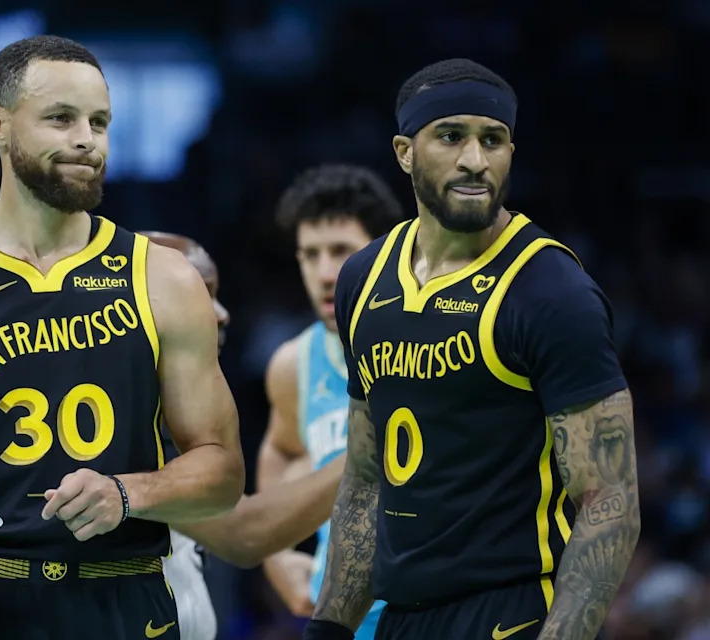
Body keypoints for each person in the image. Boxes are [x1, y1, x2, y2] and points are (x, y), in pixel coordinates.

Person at [0, 35, 244, 640]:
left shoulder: (163, 279)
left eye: (100, 122)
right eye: (61, 118)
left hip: (122, 593)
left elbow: (222, 472)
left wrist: (128, 493)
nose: (87, 139)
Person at [303, 58, 640, 640]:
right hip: (402, 617)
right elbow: (364, 481)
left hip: (511, 612)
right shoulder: (363, 278)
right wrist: (330, 627)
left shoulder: (550, 291)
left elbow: (610, 502)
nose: (475, 161)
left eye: (493, 140)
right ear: (405, 152)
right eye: (451, 136)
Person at [140, 230, 350, 640]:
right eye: (199, 294)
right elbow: (245, 532)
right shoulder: (119, 423)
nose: (221, 313)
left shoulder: (180, 413)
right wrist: (369, 450)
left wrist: (285, 557)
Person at [254, 164, 404, 637]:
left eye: (340, 251)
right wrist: (276, 555)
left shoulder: (435, 343)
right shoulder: (292, 363)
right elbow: (282, 451)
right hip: (341, 615)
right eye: (308, 255)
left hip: (435, 608)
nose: (323, 273)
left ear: (383, 253)